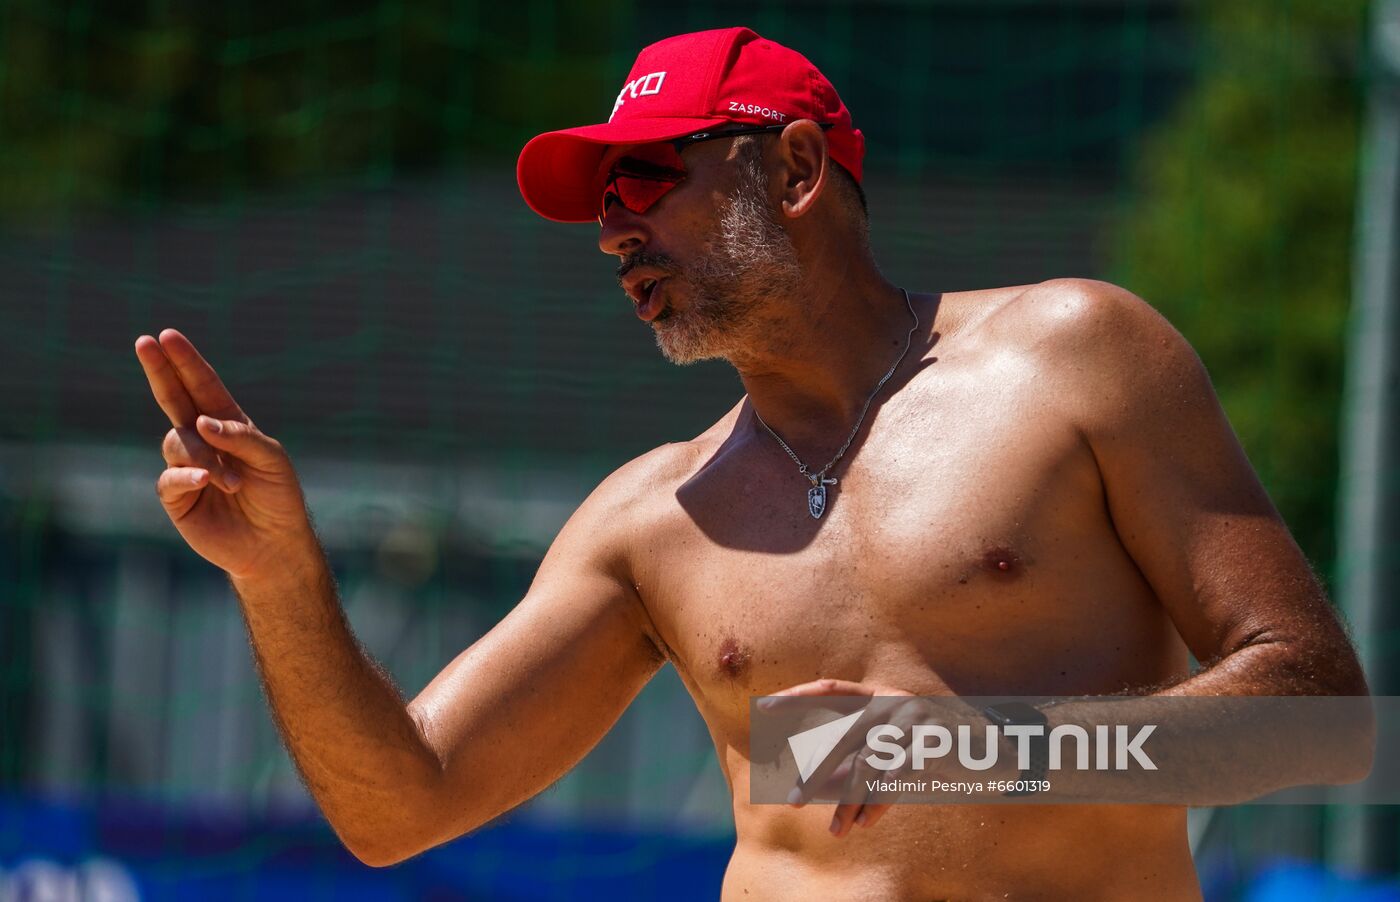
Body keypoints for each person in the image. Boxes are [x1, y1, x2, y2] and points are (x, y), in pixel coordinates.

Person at [135, 26, 1369, 900]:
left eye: (643, 176)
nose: (612, 226)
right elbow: (396, 806)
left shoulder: (1071, 355)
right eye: (598, 200)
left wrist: (966, 748)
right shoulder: (654, 515)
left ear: (793, 168)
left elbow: (1317, 718)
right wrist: (277, 576)